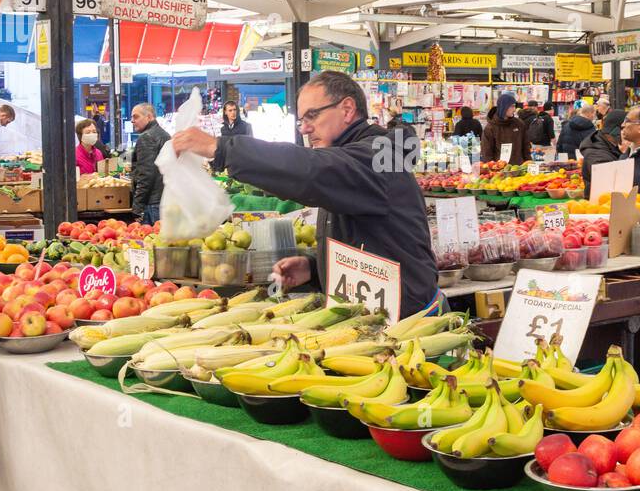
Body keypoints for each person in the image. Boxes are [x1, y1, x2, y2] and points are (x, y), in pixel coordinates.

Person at [170, 71, 439, 316]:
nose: (305, 129)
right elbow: (367, 239)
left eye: (312, 116)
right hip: (376, 319)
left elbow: (311, 171)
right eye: (301, 120)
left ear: (347, 109)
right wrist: (314, 267)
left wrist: (222, 148)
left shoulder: (377, 158)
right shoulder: (353, 157)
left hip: (411, 324)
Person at [129, 103, 168, 225]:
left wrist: (137, 206)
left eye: (136, 117)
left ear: (149, 117)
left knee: (151, 240)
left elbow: (146, 175)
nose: (132, 121)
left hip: (152, 203)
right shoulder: (164, 135)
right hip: (164, 199)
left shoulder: (146, 137)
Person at [579, 109, 626, 198]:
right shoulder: (596, 153)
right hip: (602, 205)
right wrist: (625, 153)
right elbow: (610, 183)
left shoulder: (608, 144)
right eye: (625, 128)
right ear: (617, 131)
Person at [480, 92, 531, 165]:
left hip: (519, 168)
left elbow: (526, 146)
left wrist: (529, 163)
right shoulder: (490, 127)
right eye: (512, 106)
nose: (514, 109)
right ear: (503, 107)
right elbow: (486, 152)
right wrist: (491, 168)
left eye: (514, 106)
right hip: (500, 170)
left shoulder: (519, 124)